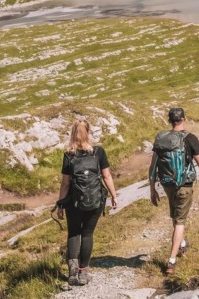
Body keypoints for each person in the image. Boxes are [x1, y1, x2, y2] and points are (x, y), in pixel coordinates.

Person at [55, 119, 118, 287]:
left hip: (74, 201)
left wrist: (60, 204)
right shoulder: (98, 152)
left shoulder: (69, 155)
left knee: (73, 233)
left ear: (73, 133)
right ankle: (83, 272)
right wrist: (113, 195)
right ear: (88, 132)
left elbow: (65, 183)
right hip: (95, 200)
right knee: (87, 234)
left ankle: (72, 272)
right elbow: (107, 176)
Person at [149, 107, 199, 275]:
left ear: (169, 121)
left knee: (176, 215)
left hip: (167, 184)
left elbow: (152, 167)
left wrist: (152, 189)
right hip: (184, 184)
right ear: (184, 119)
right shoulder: (190, 138)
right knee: (180, 221)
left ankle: (182, 244)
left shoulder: (161, 138)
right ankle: (172, 260)